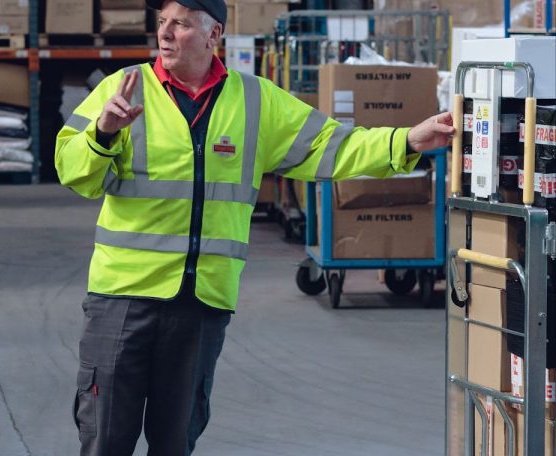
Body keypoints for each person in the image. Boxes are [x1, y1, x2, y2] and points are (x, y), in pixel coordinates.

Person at [55, 0, 454, 454]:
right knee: (105, 439)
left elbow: (333, 146)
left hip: (201, 302)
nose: (165, 33)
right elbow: (73, 171)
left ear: (213, 35)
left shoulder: (255, 100)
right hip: (123, 298)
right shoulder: (123, 89)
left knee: (175, 442)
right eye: (162, 22)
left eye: (180, 24)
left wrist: (407, 140)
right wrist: (103, 133)